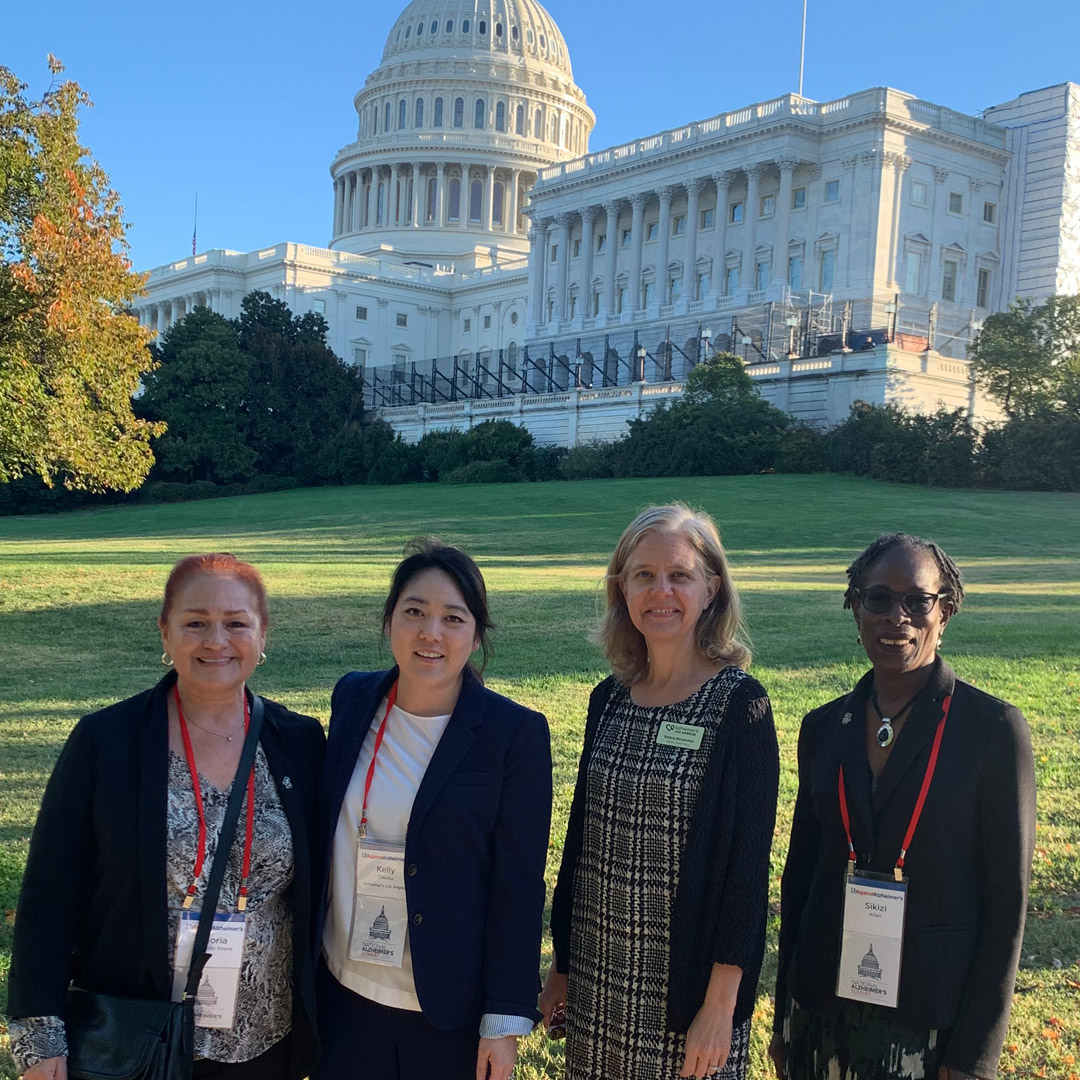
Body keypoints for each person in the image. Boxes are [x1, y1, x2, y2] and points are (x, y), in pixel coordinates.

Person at [8, 553, 325, 1080]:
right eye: (195, 622)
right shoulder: (105, 742)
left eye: (236, 623)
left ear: (263, 634)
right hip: (133, 1039)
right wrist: (40, 1038)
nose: (216, 640)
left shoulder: (299, 742)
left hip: (266, 1042)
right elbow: (49, 895)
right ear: (165, 631)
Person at [770, 533, 1036, 1080]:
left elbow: (1007, 906)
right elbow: (799, 882)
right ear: (855, 608)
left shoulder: (992, 730)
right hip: (821, 1004)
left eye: (918, 601)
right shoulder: (823, 727)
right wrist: (783, 1020)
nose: (899, 617)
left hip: (929, 1015)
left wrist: (975, 1057)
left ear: (946, 612)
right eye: (879, 599)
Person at [541, 504, 780, 1080]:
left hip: (688, 992)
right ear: (621, 589)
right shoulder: (609, 699)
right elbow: (581, 843)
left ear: (712, 589)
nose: (661, 591)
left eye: (680, 574)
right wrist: (563, 966)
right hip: (598, 978)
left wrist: (722, 1006)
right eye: (643, 575)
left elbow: (746, 872)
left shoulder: (740, 707)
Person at [315, 539, 552, 1080]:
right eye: (415, 612)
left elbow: (518, 884)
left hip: (447, 1014)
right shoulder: (353, 699)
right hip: (343, 998)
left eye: (453, 617)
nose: (431, 633)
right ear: (390, 618)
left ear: (476, 633)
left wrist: (505, 1020)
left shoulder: (512, 734)